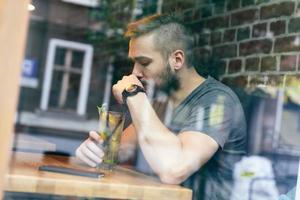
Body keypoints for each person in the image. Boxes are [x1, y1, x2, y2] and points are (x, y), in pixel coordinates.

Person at [76, 14, 247, 200]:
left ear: (177, 60)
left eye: (144, 63)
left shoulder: (218, 101)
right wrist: (93, 152)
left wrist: (133, 93)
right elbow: (117, 151)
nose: (135, 72)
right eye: (134, 62)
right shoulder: (162, 102)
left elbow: (173, 169)